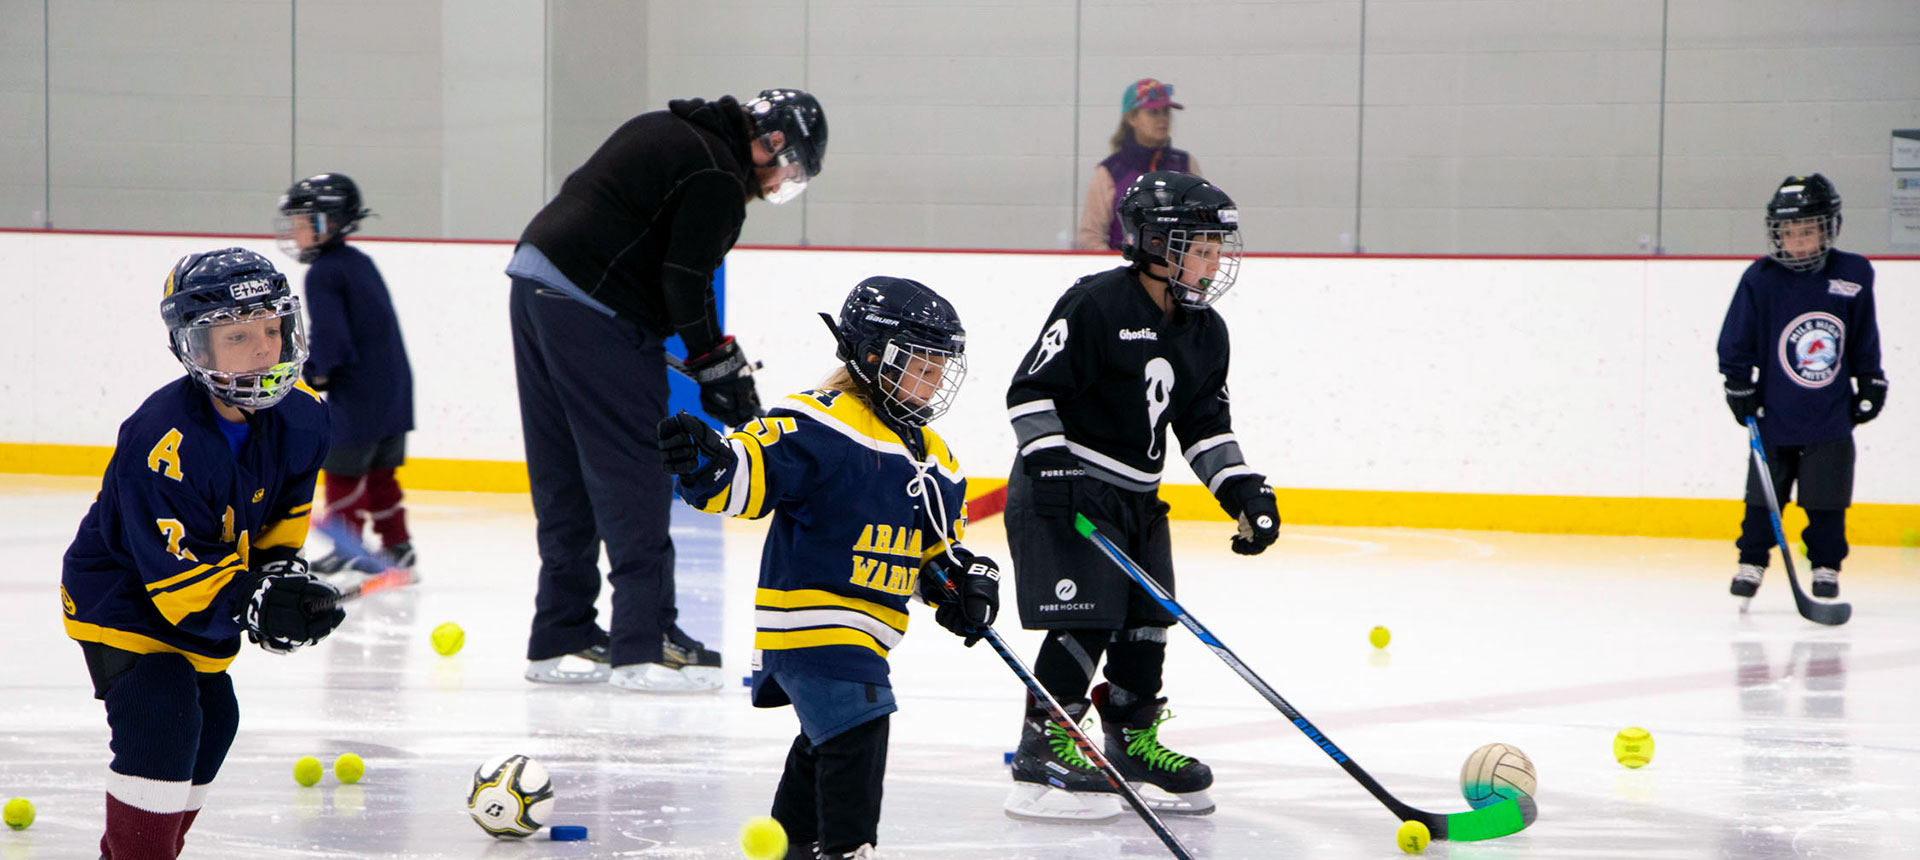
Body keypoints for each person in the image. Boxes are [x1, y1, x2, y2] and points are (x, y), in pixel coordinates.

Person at [658, 277, 999, 860]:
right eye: (923, 362)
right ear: (872, 356)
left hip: (870, 631)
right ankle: (848, 848)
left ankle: (795, 845)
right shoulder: (820, 421)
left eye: (943, 364)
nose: (937, 377)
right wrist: (707, 466)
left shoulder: (937, 456)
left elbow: (933, 555)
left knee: (828, 739)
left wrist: (961, 583)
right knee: (861, 724)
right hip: (811, 622)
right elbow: (747, 474)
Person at [507, 88, 827, 691]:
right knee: (633, 469)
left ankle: (562, 634)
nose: (782, 179)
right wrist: (714, 363)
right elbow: (686, 279)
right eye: (791, 166)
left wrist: (713, 360)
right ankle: (645, 640)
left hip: (534, 286)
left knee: (566, 470)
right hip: (594, 307)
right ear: (774, 141)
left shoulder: (667, 128)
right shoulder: (718, 175)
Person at [1004, 172, 1280, 821]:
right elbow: (1031, 391)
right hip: (1069, 488)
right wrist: (1049, 465)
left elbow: (1206, 426)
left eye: (1218, 249)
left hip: (1138, 498)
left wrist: (1242, 491)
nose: (1216, 263)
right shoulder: (1097, 303)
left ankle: (1130, 741)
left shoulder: (1207, 332)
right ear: (1156, 242)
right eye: (1202, 247)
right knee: (1088, 616)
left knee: (1151, 620)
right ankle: (1044, 742)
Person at [61, 248, 346, 859]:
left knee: (215, 722)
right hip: (124, 596)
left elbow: (281, 527)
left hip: (203, 586)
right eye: (238, 335)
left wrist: (281, 583)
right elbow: (183, 591)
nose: (265, 350)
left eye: (272, 329)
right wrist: (255, 604)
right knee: (162, 714)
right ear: (193, 347)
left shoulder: (304, 418)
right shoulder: (161, 443)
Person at [1718, 173, 1885, 600]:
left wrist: (1870, 377)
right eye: (1788, 232)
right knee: (1762, 497)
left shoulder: (1854, 273)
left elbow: (1862, 333)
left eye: (1807, 231)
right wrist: (1738, 384)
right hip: (1774, 411)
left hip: (1829, 411)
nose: (1796, 241)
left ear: (1829, 228)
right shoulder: (1762, 278)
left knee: (1827, 499)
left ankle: (1826, 566)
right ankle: (1752, 560)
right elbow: (1737, 335)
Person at [275, 173, 417, 575]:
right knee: (379, 475)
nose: (296, 231)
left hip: (357, 399)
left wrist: (312, 375)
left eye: (303, 221)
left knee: (341, 473)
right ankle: (398, 545)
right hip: (392, 394)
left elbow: (332, 339)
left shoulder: (324, 272)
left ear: (328, 223)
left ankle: (349, 548)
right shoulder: (358, 262)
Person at [1077, 78, 1202, 252]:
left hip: (1176, 272)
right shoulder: (1110, 172)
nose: (1163, 119)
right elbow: (1090, 236)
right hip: (1125, 273)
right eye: (1153, 112)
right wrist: (1116, 270)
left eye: (1165, 111)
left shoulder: (1185, 165)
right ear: (1131, 118)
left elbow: (1202, 224)